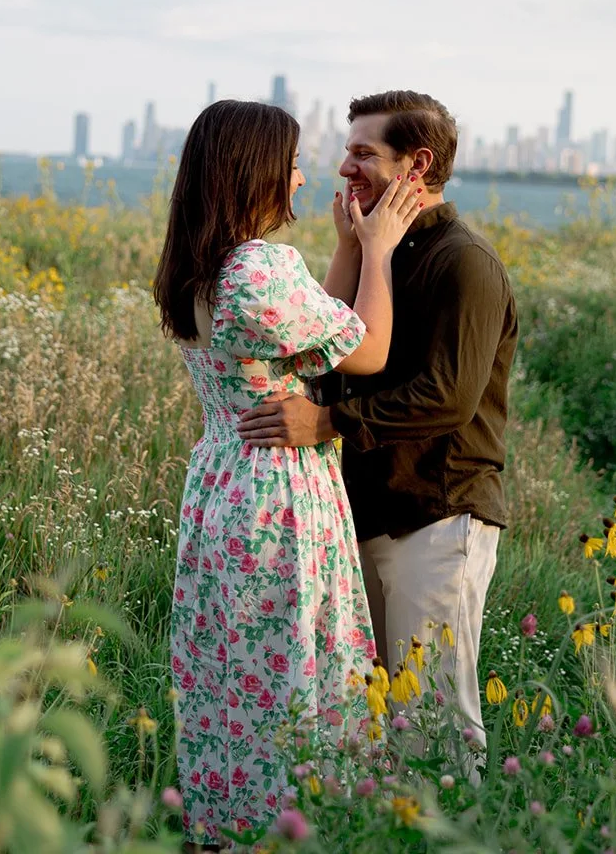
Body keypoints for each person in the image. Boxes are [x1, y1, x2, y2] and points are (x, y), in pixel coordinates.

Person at [152, 98, 424, 847]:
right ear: (259, 171)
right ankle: (297, 826)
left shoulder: (200, 266)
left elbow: (312, 327)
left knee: (234, 675)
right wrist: (378, 248)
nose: (306, 175)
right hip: (278, 492)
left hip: (220, 485)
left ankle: (226, 827)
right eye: (296, 161)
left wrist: (339, 248)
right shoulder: (262, 266)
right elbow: (363, 351)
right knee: (295, 673)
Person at [237, 90, 517, 758]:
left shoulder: (463, 262)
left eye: (364, 153)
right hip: (364, 513)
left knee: (434, 723)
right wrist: (357, 253)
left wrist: (328, 423)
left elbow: (446, 397)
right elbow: (326, 365)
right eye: (347, 151)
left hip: (437, 515)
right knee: (364, 721)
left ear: (416, 165)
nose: (344, 169)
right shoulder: (376, 252)